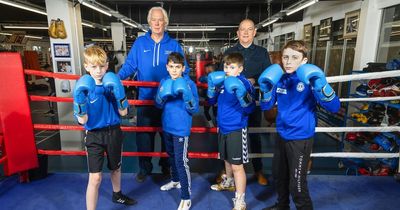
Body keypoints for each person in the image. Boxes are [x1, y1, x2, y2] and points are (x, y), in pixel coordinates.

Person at [258, 40, 340, 210]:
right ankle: (282, 206)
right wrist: (265, 89)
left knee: (297, 184)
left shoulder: (310, 79)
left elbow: (334, 107)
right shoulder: (278, 78)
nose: (288, 61)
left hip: (300, 138)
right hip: (282, 133)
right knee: (279, 176)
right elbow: (266, 107)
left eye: (294, 57)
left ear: (304, 61)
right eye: (285, 57)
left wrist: (320, 86)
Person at [118, 6, 189, 183]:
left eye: (160, 20)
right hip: (145, 100)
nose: (157, 23)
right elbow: (129, 66)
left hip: (168, 101)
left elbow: (184, 70)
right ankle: (145, 168)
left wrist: (186, 87)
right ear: (149, 22)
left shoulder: (173, 45)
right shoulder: (140, 43)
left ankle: (166, 167)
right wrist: (115, 78)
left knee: (168, 135)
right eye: (154, 20)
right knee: (143, 136)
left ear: (165, 22)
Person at [73, 46, 136, 210]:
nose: (98, 71)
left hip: (114, 131)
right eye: (94, 67)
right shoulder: (84, 88)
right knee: (95, 178)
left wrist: (120, 94)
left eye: (101, 66)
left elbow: (123, 113)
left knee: (116, 168)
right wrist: (79, 102)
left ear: (107, 65)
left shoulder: (113, 83)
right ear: (86, 66)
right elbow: (82, 120)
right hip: (94, 135)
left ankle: (117, 195)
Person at [219, 18, 271, 185]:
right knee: (227, 136)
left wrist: (254, 80)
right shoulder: (229, 51)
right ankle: (226, 172)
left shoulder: (262, 53)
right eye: (243, 29)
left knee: (254, 135)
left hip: (251, 101)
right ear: (238, 33)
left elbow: (267, 76)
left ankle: (258, 170)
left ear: (255, 32)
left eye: (250, 29)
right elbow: (223, 75)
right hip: (231, 105)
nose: (246, 32)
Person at [208, 53, 256, 210]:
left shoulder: (244, 84)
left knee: (237, 166)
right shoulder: (222, 82)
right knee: (226, 159)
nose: (227, 69)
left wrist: (242, 95)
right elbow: (211, 102)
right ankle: (228, 182)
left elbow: (250, 109)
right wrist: (211, 89)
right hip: (223, 127)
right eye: (226, 66)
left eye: (232, 67)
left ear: (240, 69)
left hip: (236, 128)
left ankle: (240, 200)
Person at [155, 52, 199, 210]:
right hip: (167, 126)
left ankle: (186, 197)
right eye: (171, 66)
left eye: (177, 67)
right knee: (171, 157)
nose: (174, 70)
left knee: (181, 162)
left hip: (181, 129)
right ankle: (175, 181)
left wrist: (187, 97)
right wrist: (162, 96)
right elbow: (158, 105)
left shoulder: (189, 84)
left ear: (183, 68)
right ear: (167, 67)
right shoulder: (164, 81)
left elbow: (195, 109)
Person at [199, 63, 217, 127]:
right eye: (205, 69)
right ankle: (211, 125)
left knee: (215, 113)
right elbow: (200, 79)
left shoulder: (216, 76)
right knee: (206, 111)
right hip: (208, 96)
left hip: (216, 97)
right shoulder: (206, 77)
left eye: (208, 69)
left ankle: (217, 126)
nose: (206, 70)